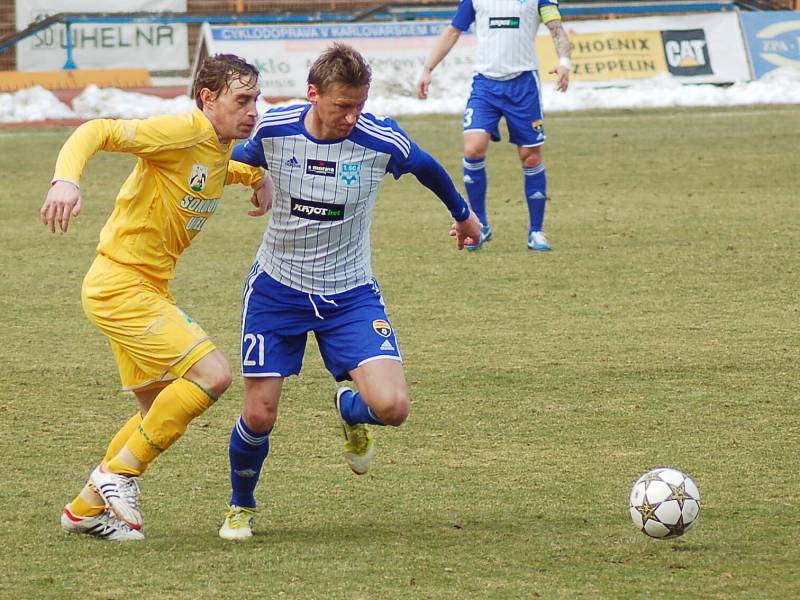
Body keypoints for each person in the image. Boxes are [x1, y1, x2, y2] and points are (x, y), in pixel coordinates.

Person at [217, 42, 482, 540]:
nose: (351, 116)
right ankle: (241, 506)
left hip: (350, 293)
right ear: (313, 94)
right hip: (278, 290)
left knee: (393, 408)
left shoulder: (380, 139)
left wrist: (463, 215)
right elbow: (230, 153)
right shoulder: (274, 128)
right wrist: (255, 178)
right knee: (259, 412)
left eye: (359, 104)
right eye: (342, 106)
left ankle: (349, 409)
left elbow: (427, 168)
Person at [42, 54, 272, 541]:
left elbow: (218, 169)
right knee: (213, 375)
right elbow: (97, 130)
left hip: (137, 285)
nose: (253, 111)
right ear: (208, 99)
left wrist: (260, 177)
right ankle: (116, 475)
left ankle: (83, 510)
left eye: (256, 99)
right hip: (122, 285)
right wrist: (66, 179)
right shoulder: (181, 130)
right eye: (242, 100)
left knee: (157, 412)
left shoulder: (213, 146)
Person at [416, 0, 572, 251]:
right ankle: (480, 224)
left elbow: (557, 29)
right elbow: (453, 30)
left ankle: (536, 232)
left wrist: (564, 62)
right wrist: (427, 69)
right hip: (485, 85)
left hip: (523, 85)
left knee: (530, 157)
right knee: (473, 150)